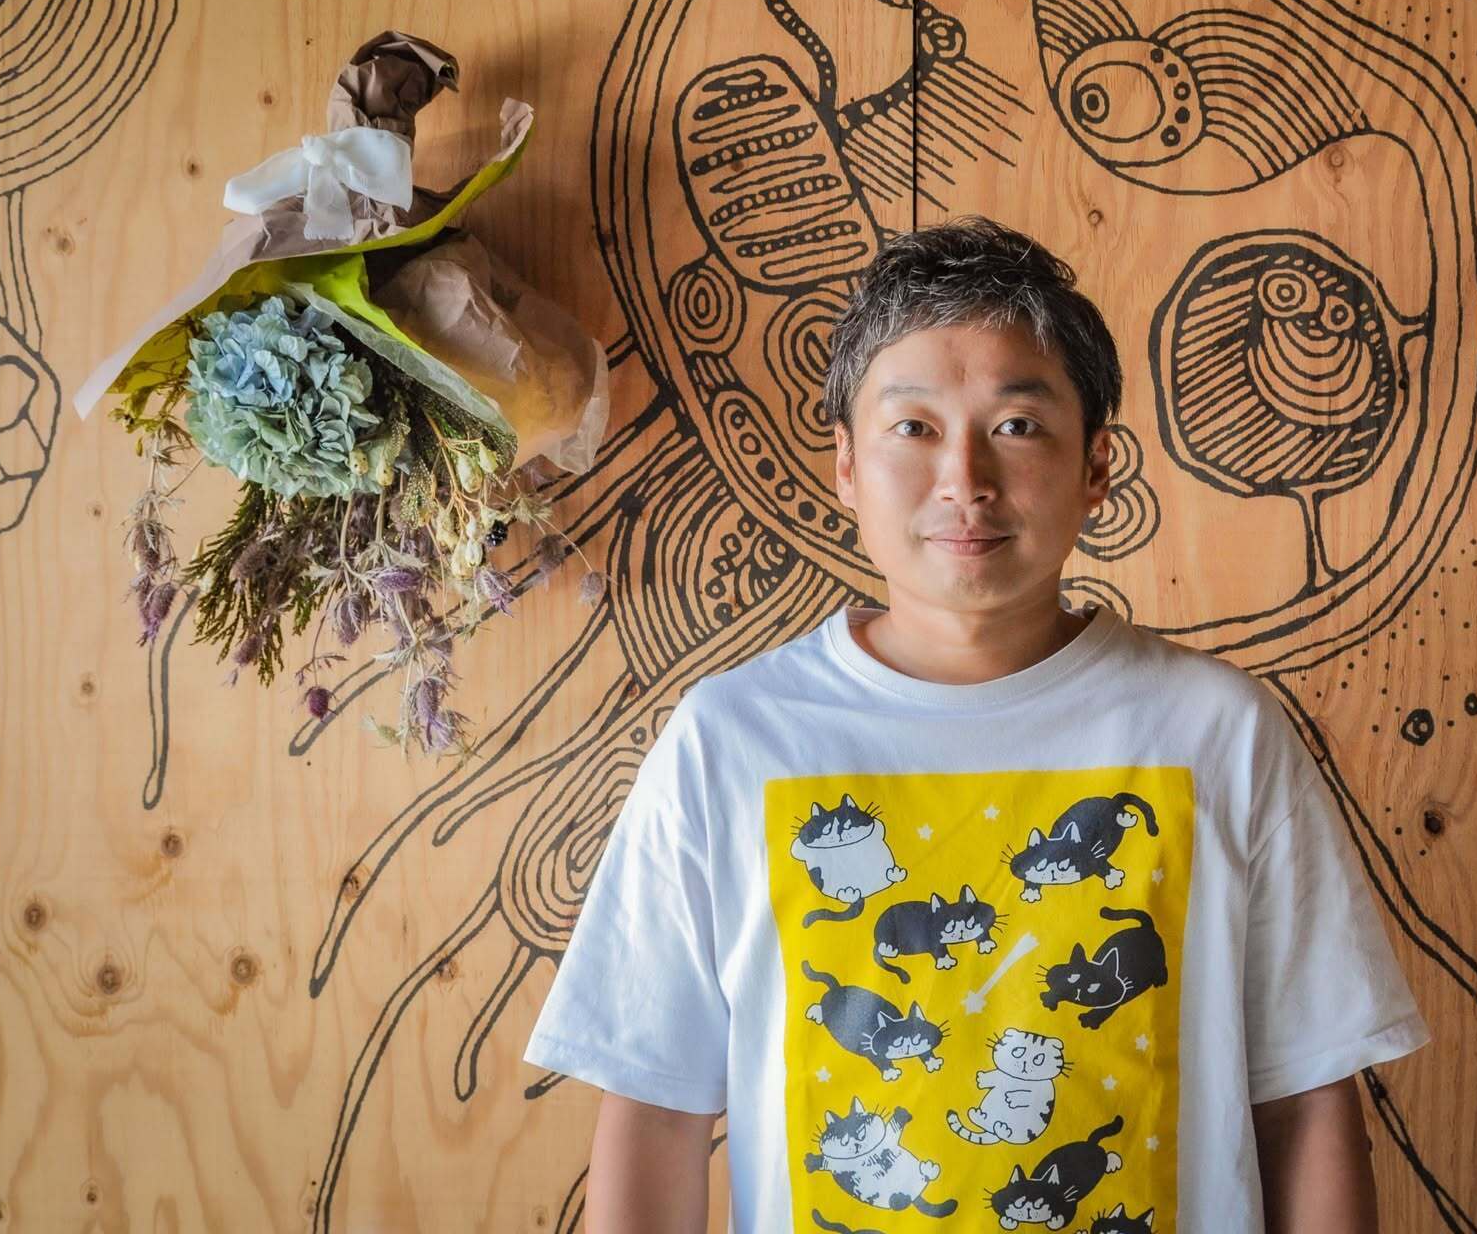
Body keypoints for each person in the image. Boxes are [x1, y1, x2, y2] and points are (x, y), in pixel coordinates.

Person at [522, 216, 1429, 1232]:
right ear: (846, 466)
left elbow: (1305, 1103)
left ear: (1095, 466)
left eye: (1017, 425)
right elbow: (654, 1111)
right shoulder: (729, 740)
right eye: (912, 428)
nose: (965, 480)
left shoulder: (1220, 733)